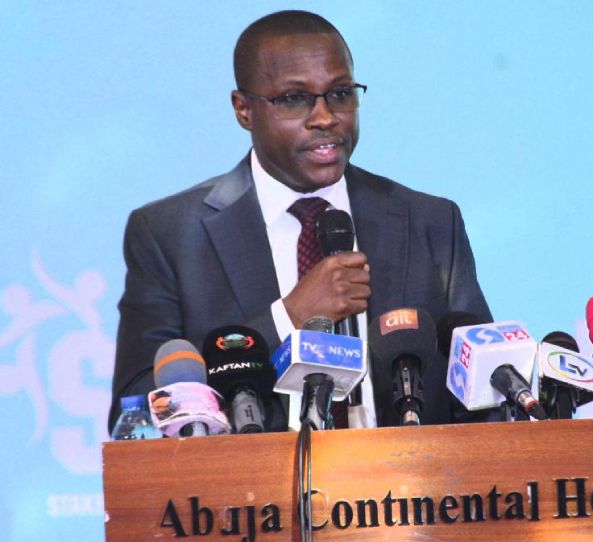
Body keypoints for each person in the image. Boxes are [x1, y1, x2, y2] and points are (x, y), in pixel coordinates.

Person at [109, 10, 492, 434]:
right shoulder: (170, 233)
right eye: (294, 99)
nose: (325, 117)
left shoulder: (430, 221)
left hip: (407, 494)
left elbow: (482, 395)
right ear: (243, 110)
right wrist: (288, 318)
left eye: (341, 93)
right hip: (253, 495)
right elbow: (140, 407)